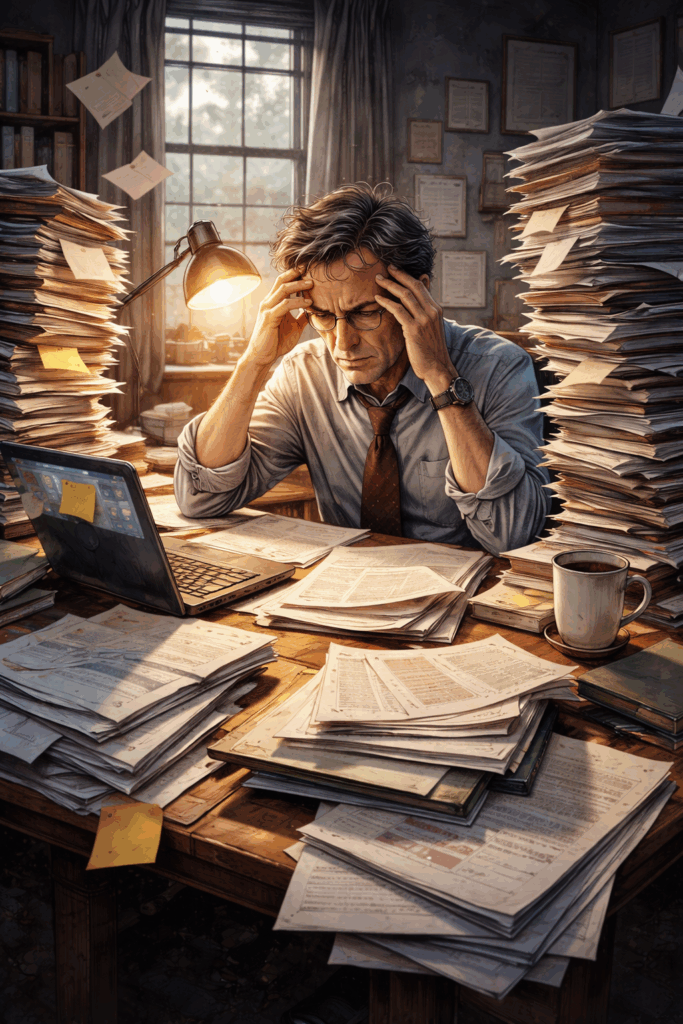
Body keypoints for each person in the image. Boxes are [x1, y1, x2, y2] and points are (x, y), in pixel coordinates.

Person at [174, 183, 550, 556]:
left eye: (365, 312)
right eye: (322, 315)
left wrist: (441, 377)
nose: (342, 342)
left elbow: (514, 534)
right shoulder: (303, 376)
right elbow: (199, 497)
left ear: (418, 293)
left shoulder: (499, 367)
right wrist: (254, 363)